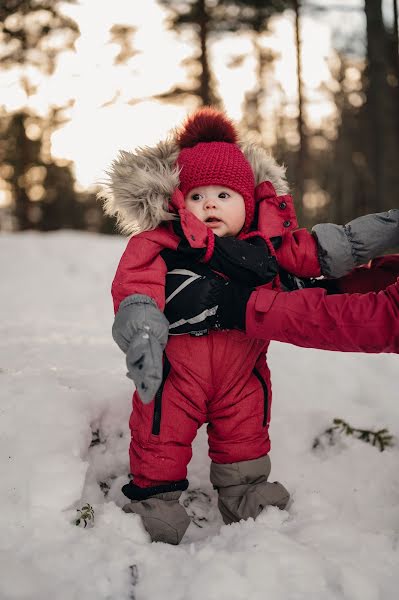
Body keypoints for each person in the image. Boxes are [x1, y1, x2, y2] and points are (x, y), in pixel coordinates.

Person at [101, 107, 399, 545]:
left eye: (224, 195)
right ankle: (154, 496)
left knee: (246, 433)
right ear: (179, 200)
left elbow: (328, 248)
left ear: (248, 202)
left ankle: (244, 490)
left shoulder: (267, 248)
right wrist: (143, 329)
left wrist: (382, 232)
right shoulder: (160, 243)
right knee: (160, 432)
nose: (210, 205)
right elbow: (135, 289)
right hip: (177, 372)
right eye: (198, 196)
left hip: (242, 374)